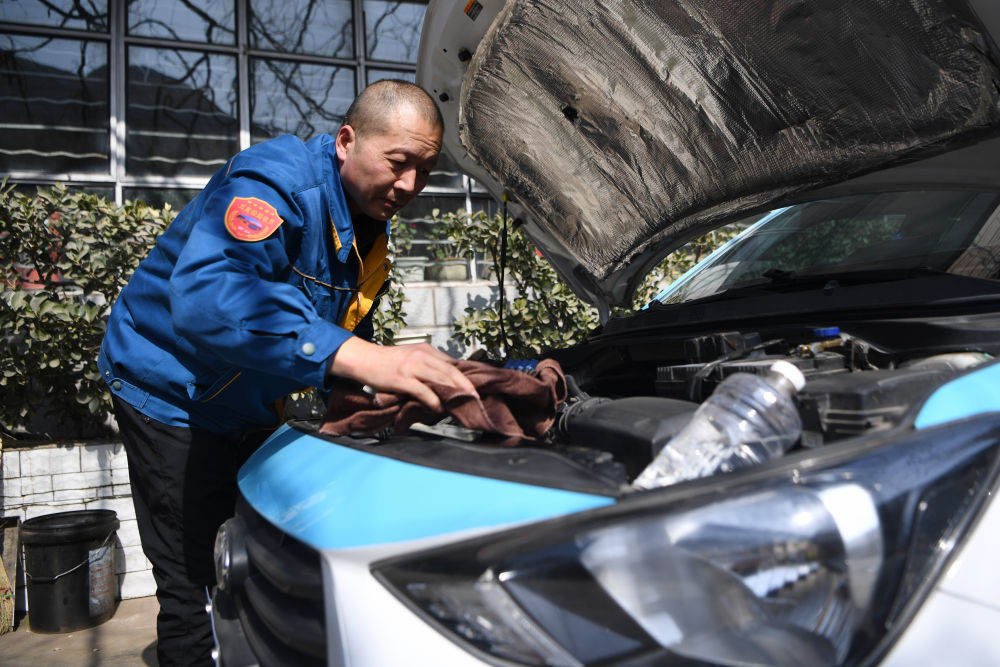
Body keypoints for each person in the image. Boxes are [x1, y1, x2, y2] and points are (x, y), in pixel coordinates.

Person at [98, 80, 476, 666]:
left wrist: (352, 393)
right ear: (346, 141)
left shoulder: (366, 223)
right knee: (198, 587)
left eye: (425, 171)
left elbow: (339, 320)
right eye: (398, 162)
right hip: (169, 393)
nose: (410, 185)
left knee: (252, 562)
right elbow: (209, 293)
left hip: (246, 399)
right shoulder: (276, 181)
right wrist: (369, 360)